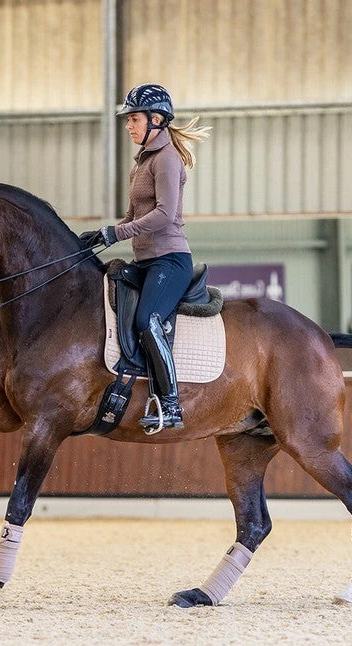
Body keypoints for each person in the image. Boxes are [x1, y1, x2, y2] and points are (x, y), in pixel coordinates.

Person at [80, 83, 210, 430]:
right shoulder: (141, 164)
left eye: (133, 119)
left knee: (146, 321)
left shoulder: (167, 160)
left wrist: (117, 233)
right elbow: (131, 218)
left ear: (156, 120)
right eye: (129, 120)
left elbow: (165, 215)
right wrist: (101, 235)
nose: (128, 126)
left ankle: (170, 404)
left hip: (170, 261)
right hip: (146, 261)